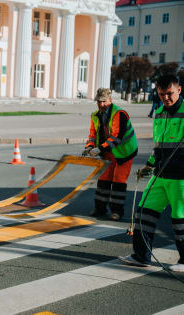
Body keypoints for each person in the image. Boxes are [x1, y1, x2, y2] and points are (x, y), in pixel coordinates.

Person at [119, 75, 184, 272]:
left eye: (170, 93)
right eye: (162, 94)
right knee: (143, 213)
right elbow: (158, 145)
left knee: (180, 220)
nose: (166, 98)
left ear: (179, 90)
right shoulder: (160, 112)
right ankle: (141, 256)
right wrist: (149, 165)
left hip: (180, 177)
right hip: (160, 174)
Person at [82, 88, 138, 221]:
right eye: (98, 101)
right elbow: (92, 135)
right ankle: (100, 209)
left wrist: (99, 149)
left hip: (124, 153)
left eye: (104, 101)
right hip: (107, 152)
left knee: (118, 182)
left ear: (110, 100)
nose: (101, 104)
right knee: (103, 180)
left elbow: (116, 137)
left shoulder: (119, 114)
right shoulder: (95, 115)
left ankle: (117, 211)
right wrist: (89, 147)